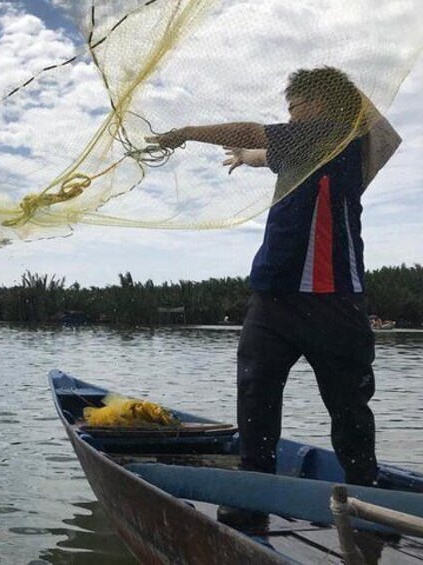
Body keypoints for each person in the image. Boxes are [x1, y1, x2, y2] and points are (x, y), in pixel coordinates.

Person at [146, 67, 401, 527]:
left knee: (349, 409)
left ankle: (368, 502)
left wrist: (184, 133)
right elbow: (267, 148)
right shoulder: (304, 147)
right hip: (272, 298)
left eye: (294, 106)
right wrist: (249, 156)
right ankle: (252, 497)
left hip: (334, 301)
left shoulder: (340, 137)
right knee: (256, 398)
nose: (290, 115)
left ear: (321, 105)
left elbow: (253, 130)